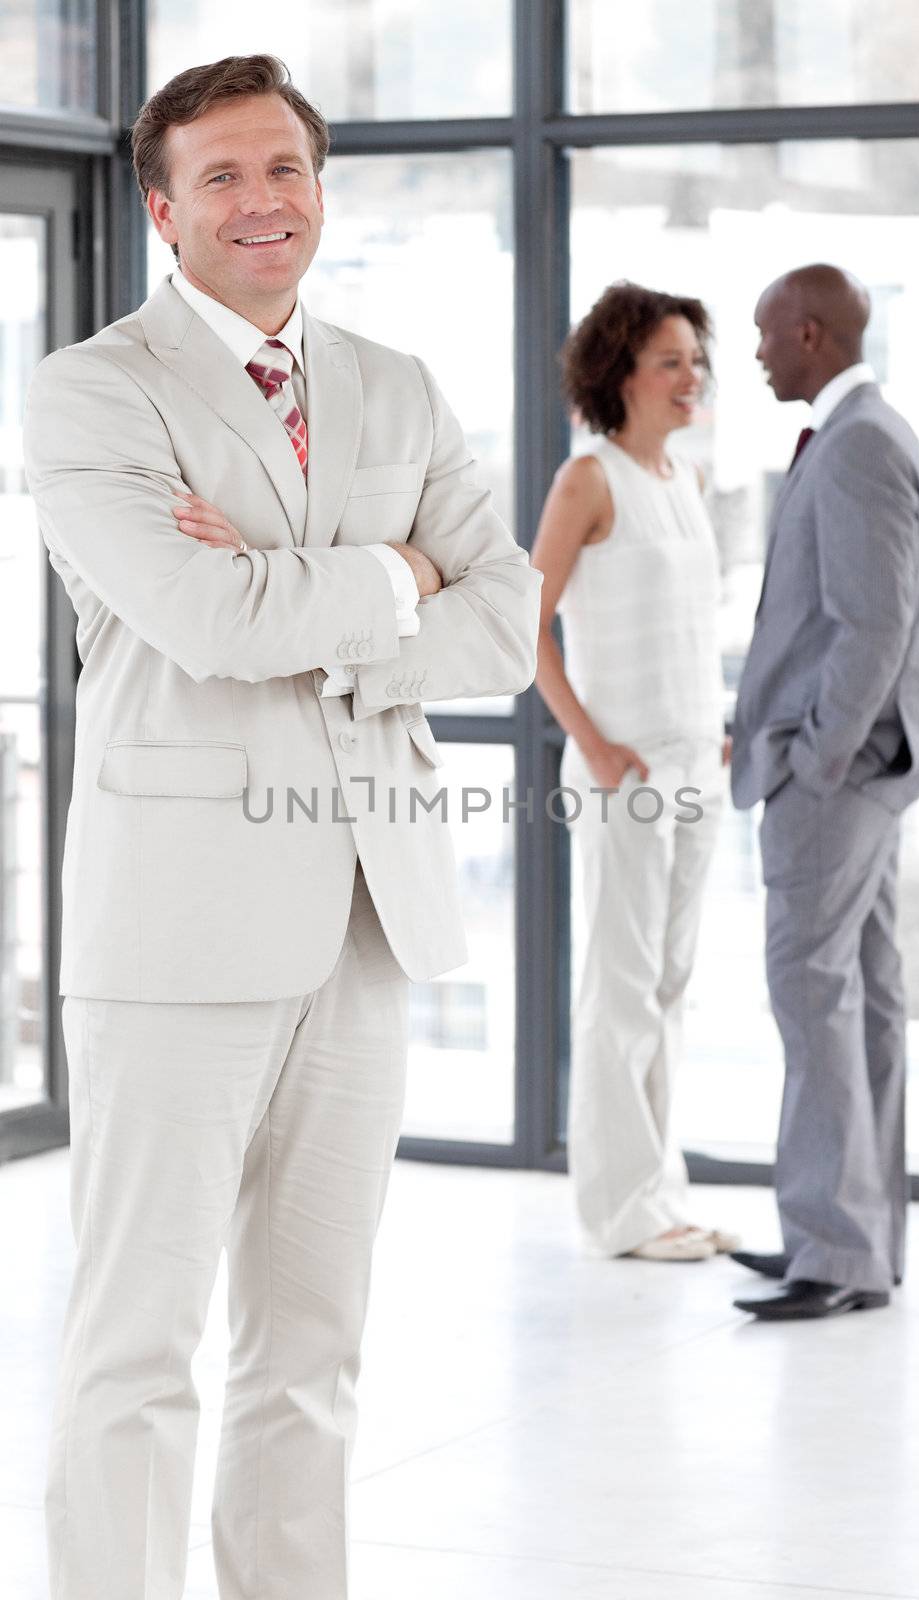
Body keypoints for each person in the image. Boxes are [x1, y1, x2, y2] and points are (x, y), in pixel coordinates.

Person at [24, 54, 540, 1599]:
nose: (264, 202)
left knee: (311, 1346)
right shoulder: (92, 388)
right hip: (176, 924)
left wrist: (307, 593)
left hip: (366, 919)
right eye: (226, 177)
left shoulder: (394, 382)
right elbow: (199, 616)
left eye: (287, 170)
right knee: (137, 1343)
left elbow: (509, 631)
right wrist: (394, 574)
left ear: (321, 188)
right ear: (162, 206)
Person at [730, 263, 919, 1322]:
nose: (755, 352)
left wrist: (816, 755)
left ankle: (831, 1247)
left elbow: (871, 623)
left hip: (837, 774)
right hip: (860, 767)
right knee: (860, 999)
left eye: (765, 335)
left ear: (808, 333)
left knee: (811, 996)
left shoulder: (858, 443)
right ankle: (856, 1240)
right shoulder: (864, 432)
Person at [531, 281, 736, 1263]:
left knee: (668, 986)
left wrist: (715, 726)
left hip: (698, 762)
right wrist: (594, 744)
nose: (689, 375)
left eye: (694, 358)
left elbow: (688, 629)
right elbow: (524, 633)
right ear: (618, 372)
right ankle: (619, 1210)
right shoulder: (589, 478)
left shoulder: (685, 481)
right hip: (623, 775)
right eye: (669, 359)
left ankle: (660, 1192)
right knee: (619, 989)